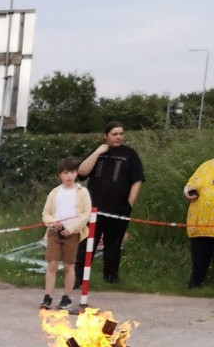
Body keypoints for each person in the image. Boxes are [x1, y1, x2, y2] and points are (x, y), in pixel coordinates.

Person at [76, 120, 145, 285]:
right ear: (105, 136)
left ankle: (111, 277)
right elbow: (82, 172)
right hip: (94, 209)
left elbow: (137, 180)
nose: (118, 137)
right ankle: (79, 278)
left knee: (113, 245)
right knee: (87, 243)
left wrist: (130, 203)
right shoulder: (98, 153)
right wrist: (98, 152)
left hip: (119, 207)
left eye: (121, 134)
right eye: (114, 134)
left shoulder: (130, 154)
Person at [40, 157, 92, 310]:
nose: (69, 176)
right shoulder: (54, 193)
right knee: (52, 264)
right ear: (60, 175)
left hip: (72, 233)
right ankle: (47, 296)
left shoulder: (82, 192)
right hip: (54, 233)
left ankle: (66, 297)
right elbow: (46, 214)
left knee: (69, 266)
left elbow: (86, 214)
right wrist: (53, 222)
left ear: (76, 174)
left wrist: (72, 228)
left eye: (73, 172)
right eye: (66, 172)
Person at [183, 155, 214, 288]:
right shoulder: (205, 166)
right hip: (200, 224)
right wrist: (188, 192)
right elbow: (190, 185)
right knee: (199, 257)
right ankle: (195, 285)